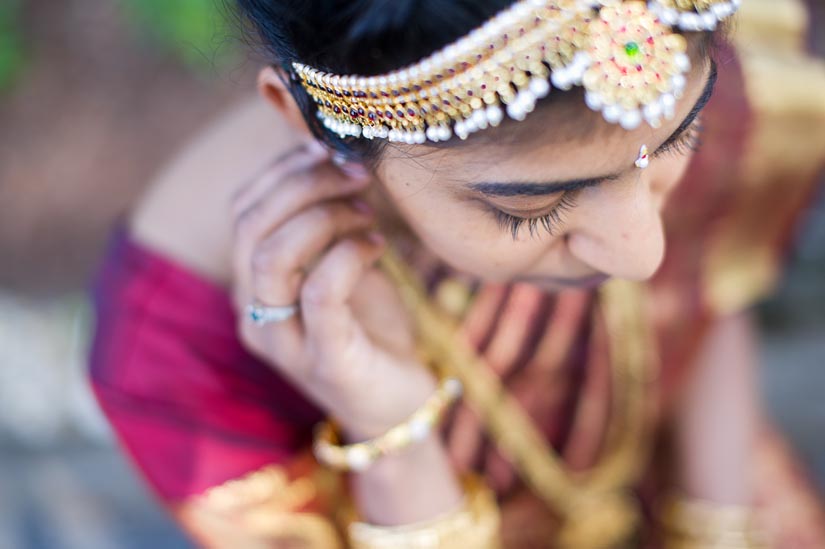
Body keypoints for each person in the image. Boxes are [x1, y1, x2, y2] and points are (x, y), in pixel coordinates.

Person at [87, 0, 825, 547]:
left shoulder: (648, 69)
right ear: (305, 123)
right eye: (537, 206)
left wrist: (716, 529)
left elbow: (706, 297)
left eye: (684, 134)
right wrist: (391, 433)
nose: (642, 250)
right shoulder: (181, 342)